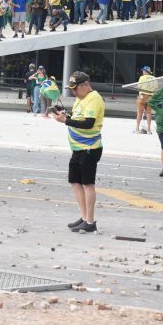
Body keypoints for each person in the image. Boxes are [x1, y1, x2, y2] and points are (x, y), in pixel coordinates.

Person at [51, 71, 104, 234]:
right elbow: (78, 117)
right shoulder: (80, 99)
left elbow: (88, 123)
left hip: (89, 148)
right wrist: (66, 114)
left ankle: (90, 221)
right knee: (75, 182)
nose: (74, 92)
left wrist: (65, 121)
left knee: (88, 184)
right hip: (77, 148)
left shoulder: (94, 98)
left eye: (76, 89)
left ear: (86, 85)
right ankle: (84, 216)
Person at [134, 66, 155, 134]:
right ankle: (148, 130)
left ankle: (137, 129)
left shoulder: (142, 77)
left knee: (139, 113)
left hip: (142, 96)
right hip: (150, 97)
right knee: (149, 113)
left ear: (146, 71)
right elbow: (156, 87)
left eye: (143, 71)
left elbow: (139, 86)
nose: (142, 72)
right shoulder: (154, 78)